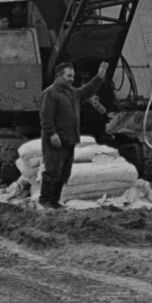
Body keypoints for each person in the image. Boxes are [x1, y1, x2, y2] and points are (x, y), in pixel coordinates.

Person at [37, 62, 105, 208]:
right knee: (52, 171)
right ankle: (44, 201)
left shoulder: (72, 92)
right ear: (58, 76)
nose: (71, 79)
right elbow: (46, 117)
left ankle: (54, 201)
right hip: (56, 140)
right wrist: (52, 134)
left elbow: (87, 91)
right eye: (68, 76)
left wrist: (99, 76)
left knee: (63, 172)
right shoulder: (50, 93)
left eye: (73, 76)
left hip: (69, 139)